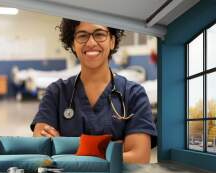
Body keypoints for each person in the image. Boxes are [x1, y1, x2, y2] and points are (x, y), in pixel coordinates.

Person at [30, 19, 157, 164]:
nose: (91, 43)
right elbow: (42, 151)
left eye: (99, 34)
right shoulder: (56, 93)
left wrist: (64, 148)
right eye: (82, 36)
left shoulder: (133, 94)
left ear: (112, 41)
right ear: (73, 43)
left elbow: (139, 158)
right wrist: (112, 149)